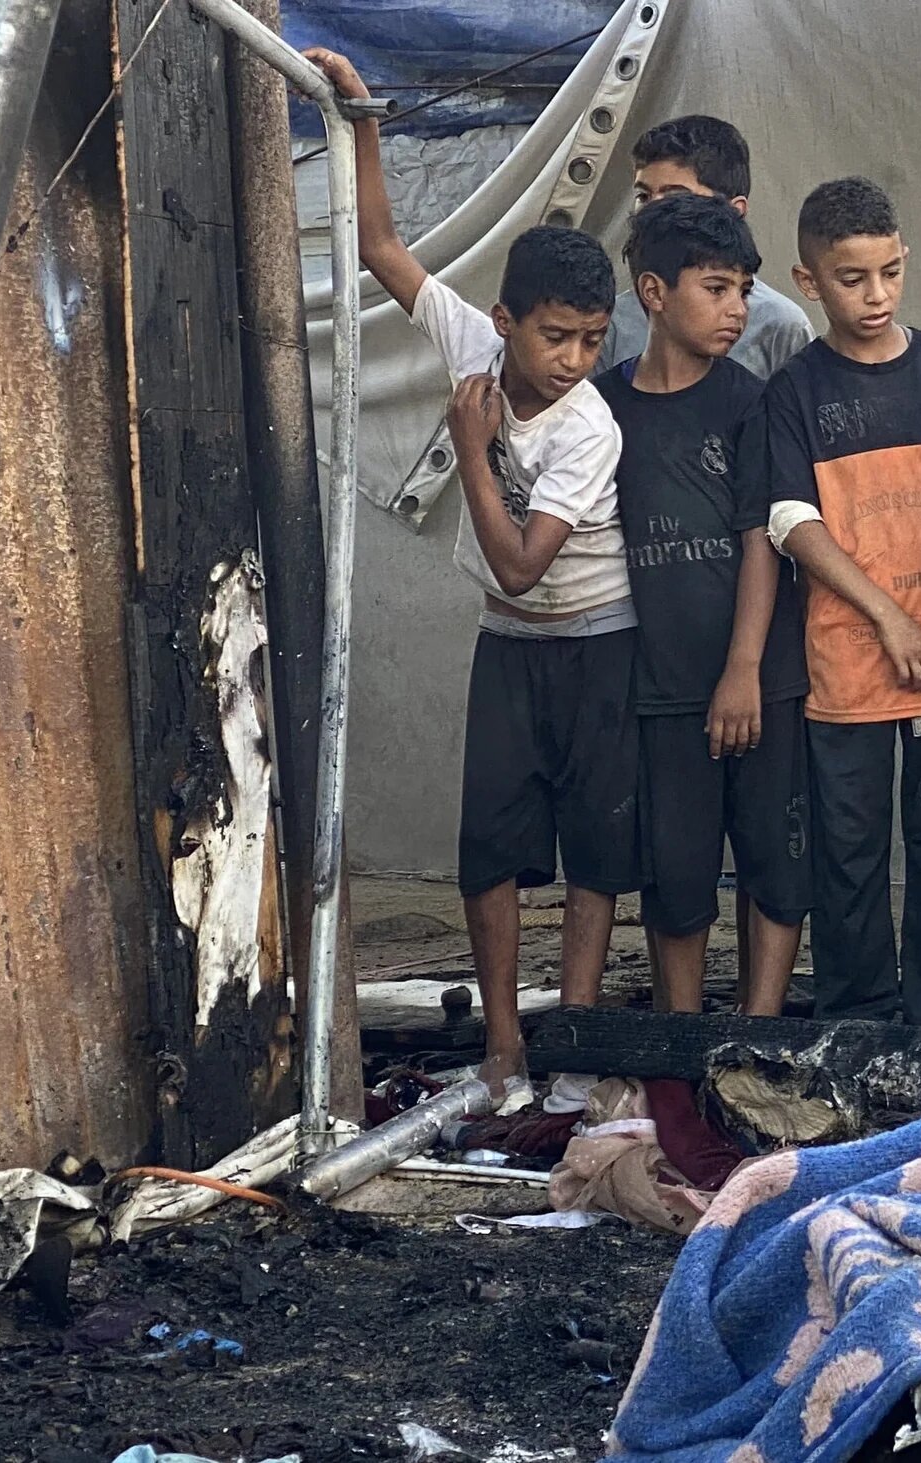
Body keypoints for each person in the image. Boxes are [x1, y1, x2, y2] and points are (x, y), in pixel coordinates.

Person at [310, 48, 635, 1087]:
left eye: (591, 339)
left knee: (593, 853)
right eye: (556, 337)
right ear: (505, 324)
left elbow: (523, 565)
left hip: (593, 640)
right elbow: (379, 245)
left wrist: (468, 445)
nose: (573, 359)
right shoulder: (470, 343)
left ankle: (573, 1031)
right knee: (489, 850)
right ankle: (503, 1039)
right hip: (511, 649)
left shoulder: (589, 430)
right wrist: (358, 118)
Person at [757, 177, 921, 1028]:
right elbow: (792, 521)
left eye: (888, 273)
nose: (874, 297)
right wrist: (887, 614)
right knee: (850, 848)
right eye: (851, 279)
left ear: (904, 259)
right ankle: (859, 1016)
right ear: (809, 281)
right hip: (848, 661)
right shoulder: (795, 391)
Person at [595, 193, 813, 1019]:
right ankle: (681, 1042)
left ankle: (757, 1035)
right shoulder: (606, 410)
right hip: (657, 688)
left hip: (760, 679)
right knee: (676, 878)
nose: (738, 309)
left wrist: (745, 670)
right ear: (654, 292)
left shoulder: (751, 401)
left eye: (744, 291)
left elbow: (762, 538)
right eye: (716, 288)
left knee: (775, 862)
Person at [599, 114, 813, 379]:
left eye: (677, 197)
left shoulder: (780, 326)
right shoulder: (611, 323)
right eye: (643, 196)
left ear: (735, 211)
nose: (652, 211)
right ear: (652, 291)